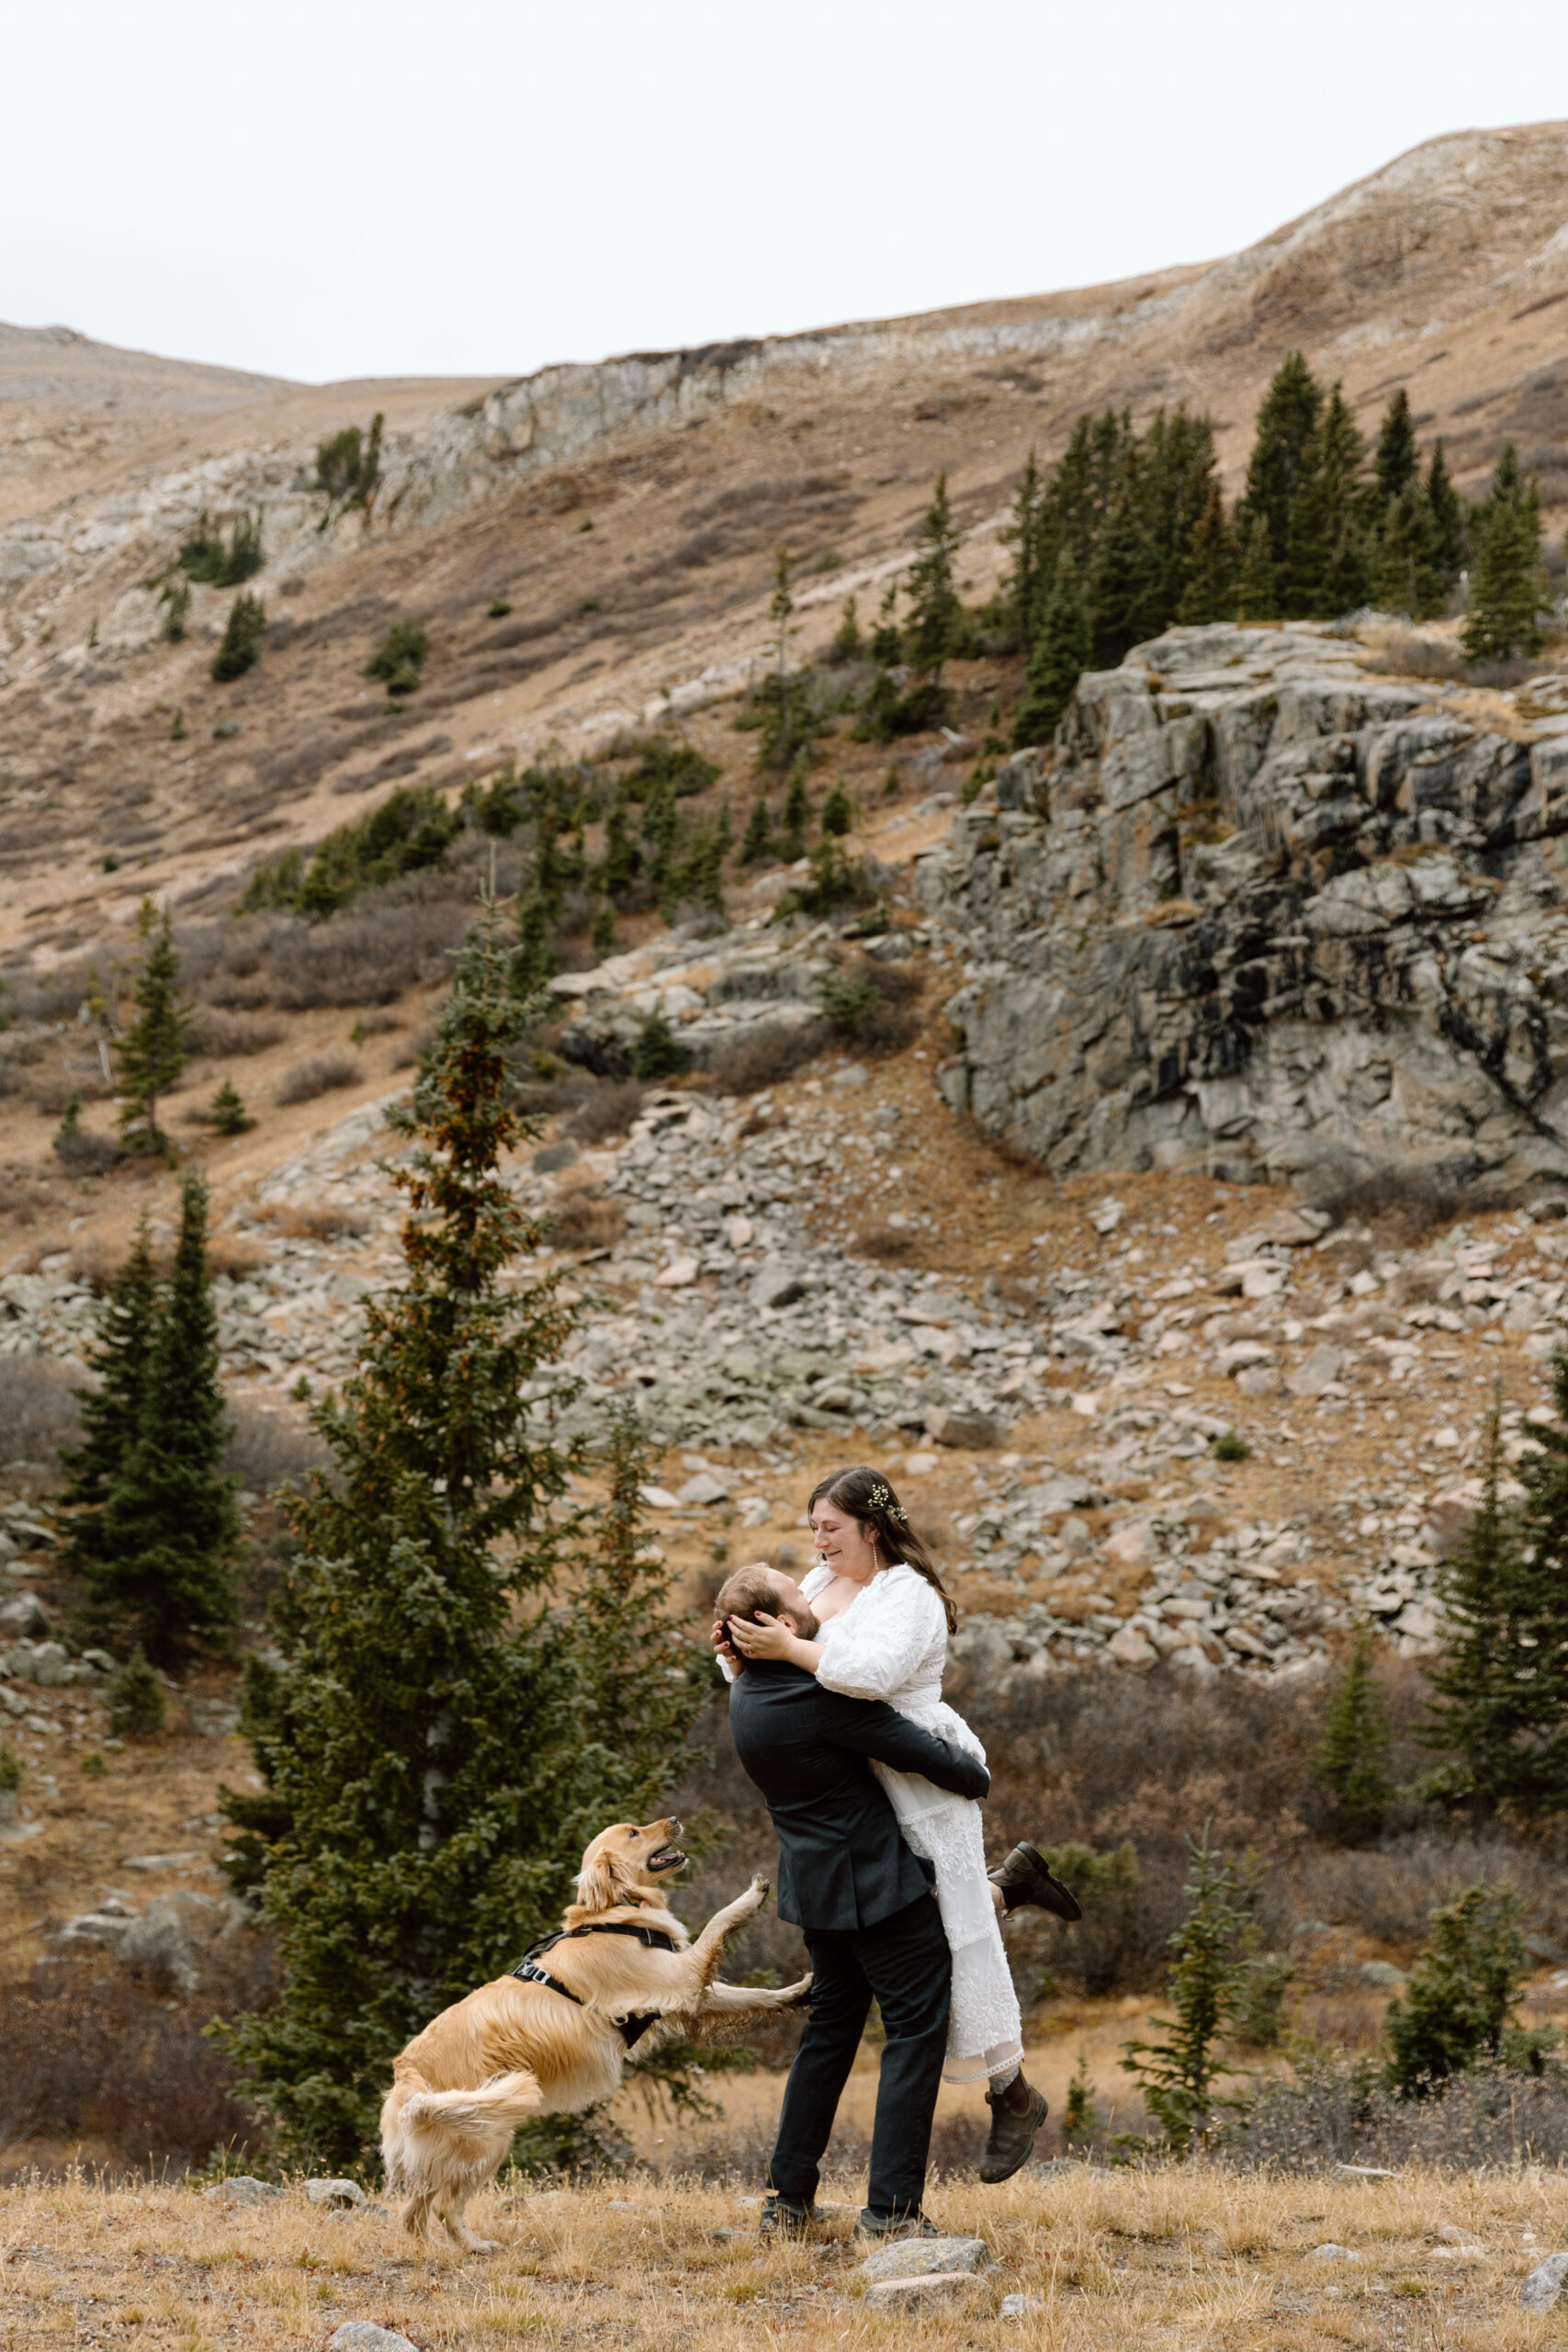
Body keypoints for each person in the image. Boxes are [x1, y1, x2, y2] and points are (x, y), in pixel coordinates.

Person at [716, 1464, 1080, 2184]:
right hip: (855, 1784)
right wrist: (739, 1650)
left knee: (960, 1943)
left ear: (871, 1529)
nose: (816, 1542)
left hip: (915, 1773)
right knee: (938, 1931)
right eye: (812, 1527)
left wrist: (786, 1650)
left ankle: (1007, 2091)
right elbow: (778, 1668)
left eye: (830, 1528)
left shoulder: (906, 1596)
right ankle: (1009, 1887)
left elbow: (866, 1676)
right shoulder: (816, 1586)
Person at [722, 1566, 991, 2241]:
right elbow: (944, 1767)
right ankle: (892, 2213)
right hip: (878, 1890)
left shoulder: (746, 1694)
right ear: (780, 1626)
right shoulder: (820, 1698)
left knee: (828, 2036)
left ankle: (787, 2200)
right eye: (797, 1597)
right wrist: (971, 1766)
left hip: (813, 1891)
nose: (813, 1600)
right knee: (913, 2033)